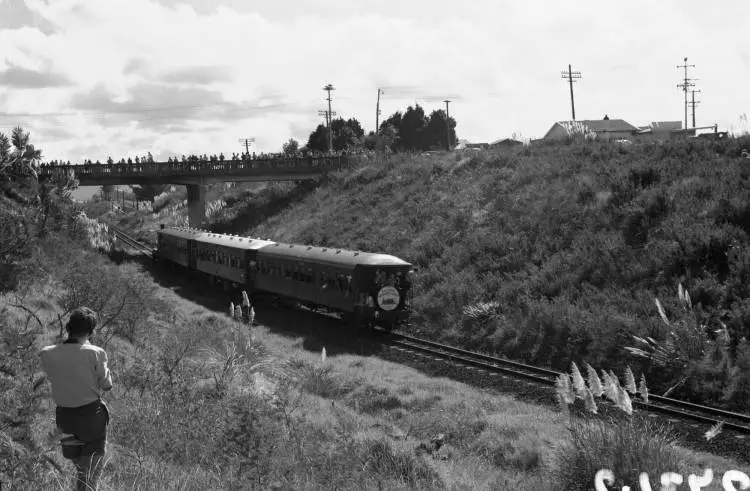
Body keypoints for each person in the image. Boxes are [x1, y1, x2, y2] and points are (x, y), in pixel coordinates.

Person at [40, 307, 113, 491]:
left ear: (68, 327)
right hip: (91, 419)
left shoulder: (47, 353)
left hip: (65, 420)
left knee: (81, 469)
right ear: (91, 331)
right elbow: (107, 385)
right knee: (90, 477)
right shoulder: (96, 353)